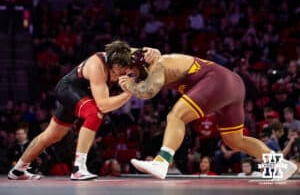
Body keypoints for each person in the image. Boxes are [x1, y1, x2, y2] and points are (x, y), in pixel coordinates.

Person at [119, 51, 297, 181]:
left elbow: (147, 91)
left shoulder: (160, 63)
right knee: (235, 140)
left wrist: (129, 86)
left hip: (218, 80)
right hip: (232, 85)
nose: (131, 76)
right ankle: (279, 164)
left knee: (176, 116)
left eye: (133, 72)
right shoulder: (149, 62)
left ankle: (161, 162)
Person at [8, 41, 156, 181]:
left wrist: (155, 52)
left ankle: (18, 169)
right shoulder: (97, 66)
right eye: (116, 70)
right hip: (68, 90)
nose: (119, 74)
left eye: (122, 70)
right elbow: (104, 105)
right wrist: (128, 93)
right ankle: (79, 168)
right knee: (95, 113)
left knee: (52, 135)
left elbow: (155, 56)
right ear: (111, 62)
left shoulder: (128, 54)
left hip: (81, 95)